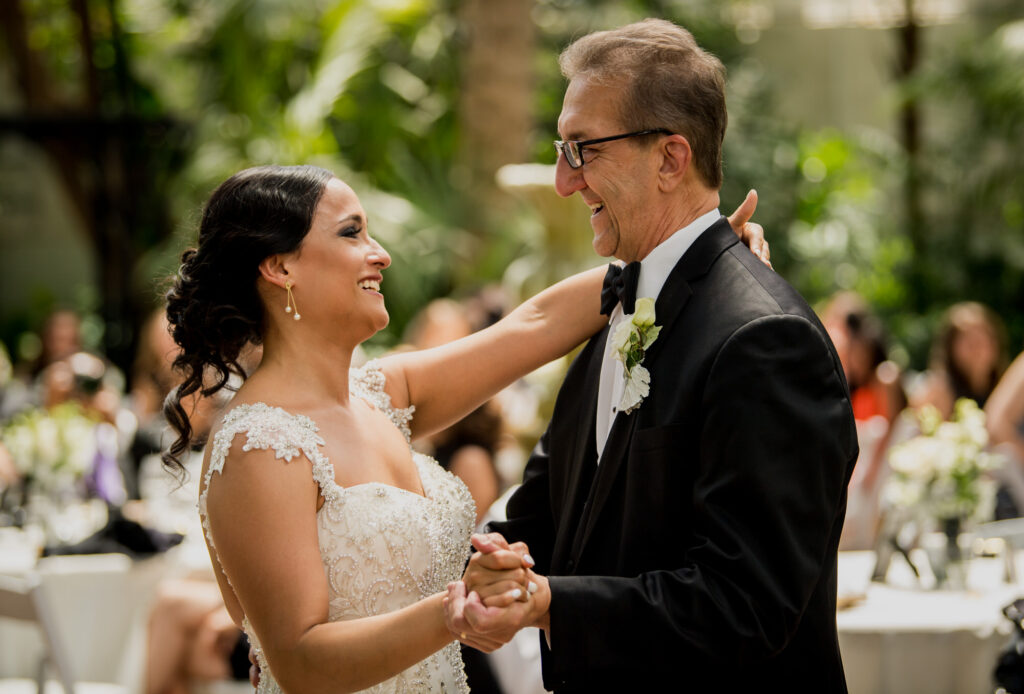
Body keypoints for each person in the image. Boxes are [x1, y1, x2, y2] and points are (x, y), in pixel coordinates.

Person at [164, 163, 770, 693]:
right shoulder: (259, 444)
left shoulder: (383, 395)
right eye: (352, 233)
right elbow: (298, 662)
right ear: (279, 267)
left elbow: (532, 323)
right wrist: (455, 613)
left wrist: (693, 259)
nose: (382, 254)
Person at [445, 19, 857, 692]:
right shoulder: (623, 310)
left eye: (582, 150)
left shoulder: (764, 341)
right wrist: (488, 569)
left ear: (670, 158)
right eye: (560, 149)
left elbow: (745, 606)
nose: (561, 181)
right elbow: (545, 520)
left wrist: (552, 604)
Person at [911, 301, 1008, 419]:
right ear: (950, 348)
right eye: (968, 340)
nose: (977, 348)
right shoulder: (937, 390)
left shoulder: (1006, 386)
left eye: (982, 338)